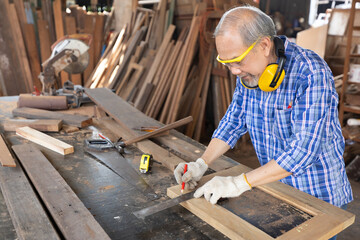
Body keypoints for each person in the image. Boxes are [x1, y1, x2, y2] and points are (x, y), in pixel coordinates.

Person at [174, 5, 353, 231]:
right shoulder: (250, 73)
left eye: (238, 61)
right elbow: (233, 121)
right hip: (274, 187)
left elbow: (304, 150)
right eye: (227, 63)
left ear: (264, 45)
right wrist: (201, 164)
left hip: (317, 196)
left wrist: (240, 182)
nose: (234, 71)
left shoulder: (310, 72)